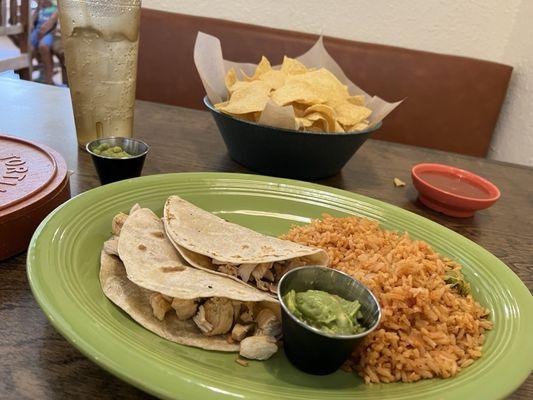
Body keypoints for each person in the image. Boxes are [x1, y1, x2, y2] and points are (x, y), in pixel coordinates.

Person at [31, 0, 59, 84]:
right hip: (37, 31)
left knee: (43, 47)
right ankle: (27, 76)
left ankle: (48, 79)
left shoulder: (55, 8)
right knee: (30, 49)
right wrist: (37, 9)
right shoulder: (40, 9)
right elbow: (32, 22)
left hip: (48, 32)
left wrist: (43, 31)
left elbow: (51, 23)